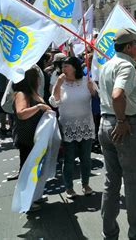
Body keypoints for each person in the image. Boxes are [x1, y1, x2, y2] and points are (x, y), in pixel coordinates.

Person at [98, 28, 136, 240]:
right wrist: (122, 120)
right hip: (125, 125)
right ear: (129, 47)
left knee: (111, 182)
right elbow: (117, 94)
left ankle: (109, 232)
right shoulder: (126, 66)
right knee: (133, 182)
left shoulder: (106, 66)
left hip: (105, 123)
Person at [50, 56, 97, 199]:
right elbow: (54, 102)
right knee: (69, 159)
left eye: (66, 66)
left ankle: (86, 184)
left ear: (75, 67)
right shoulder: (60, 82)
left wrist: (92, 91)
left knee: (85, 158)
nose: (63, 69)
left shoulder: (86, 81)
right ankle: (69, 187)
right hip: (67, 126)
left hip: (86, 124)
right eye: (62, 67)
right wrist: (58, 84)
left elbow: (96, 96)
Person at [12, 68, 52, 173]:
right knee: (27, 170)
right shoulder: (22, 94)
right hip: (27, 136)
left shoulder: (34, 93)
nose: (40, 79)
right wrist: (39, 107)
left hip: (36, 136)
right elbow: (21, 113)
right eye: (38, 77)